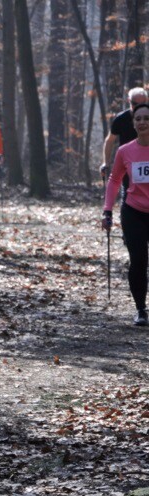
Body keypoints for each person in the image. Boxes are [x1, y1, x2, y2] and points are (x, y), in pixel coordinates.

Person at [103, 102, 149, 327]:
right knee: (138, 260)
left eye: (146, 118)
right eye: (138, 119)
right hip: (134, 212)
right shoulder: (125, 151)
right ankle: (141, 309)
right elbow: (114, 181)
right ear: (133, 123)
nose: (142, 122)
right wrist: (107, 211)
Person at [101, 87, 148, 198]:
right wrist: (105, 162)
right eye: (135, 104)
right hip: (129, 162)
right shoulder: (121, 119)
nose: (139, 107)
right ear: (129, 101)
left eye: (143, 104)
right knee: (128, 192)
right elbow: (110, 140)